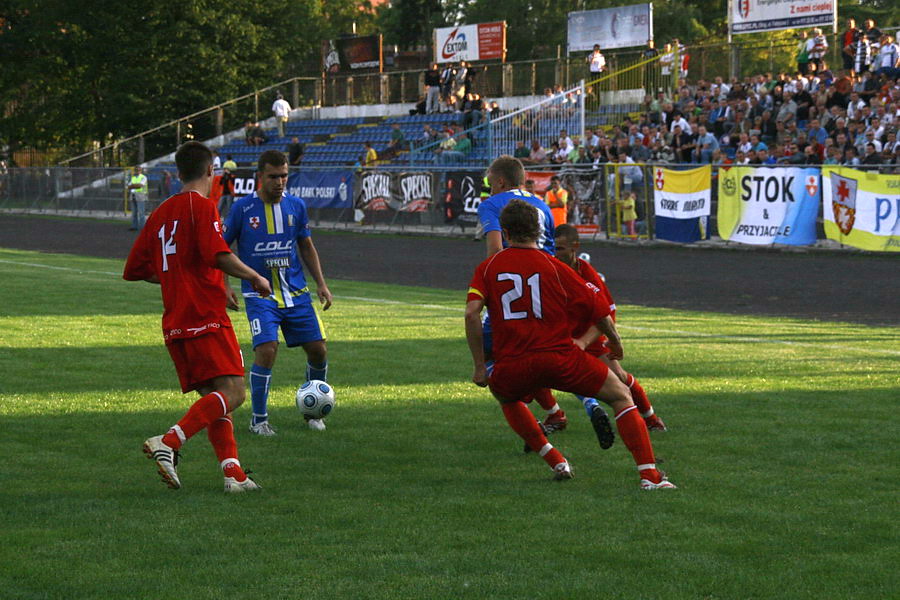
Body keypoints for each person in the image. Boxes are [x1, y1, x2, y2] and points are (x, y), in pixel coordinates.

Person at [465, 199, 675, 489]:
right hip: (559, 357)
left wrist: (479, 366)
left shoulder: (488, 268)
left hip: (513, 363)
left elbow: (471, 313)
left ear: (504, 231)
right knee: (620, 396)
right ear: (539, 230)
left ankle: (556, 459)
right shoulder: (555, 266)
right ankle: (650, 477)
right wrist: (616, 342)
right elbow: (599, 310)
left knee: (507, 398)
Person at [123, 141, 272, 493]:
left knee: (216, 398)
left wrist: (179, 276)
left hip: (175, 320)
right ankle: (169, 442)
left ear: (177, 173)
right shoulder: (202, 206)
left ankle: (233, 473)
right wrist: (253, 276)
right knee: (235, 392)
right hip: (203, 315)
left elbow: (135, 269)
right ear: (211, 171)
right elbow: (218, 253)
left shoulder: (161, 212)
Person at [223, 150, 333, 434]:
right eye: (274, 176)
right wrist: (225, 285)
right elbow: (222, 249)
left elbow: (306, 246)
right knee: (267, 350)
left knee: (318, 349)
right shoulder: (243, 209)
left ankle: (314, 412)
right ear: (260, 176)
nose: (280, 181)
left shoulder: (296, 206)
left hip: (296, 293)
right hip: (260, 296)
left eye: (284, 175)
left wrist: (321, 283)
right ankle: (259, 420)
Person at [478, 156, 568, 433]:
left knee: (490, 356)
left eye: (491, 181)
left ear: (501, 181)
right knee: (548, 355)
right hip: (549, 288)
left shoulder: (492, 204)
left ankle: (537, 429)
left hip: (513, 289)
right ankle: (563, 411)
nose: (489, 187)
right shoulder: (542, 204)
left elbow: (495, 251)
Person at [554, 224, 667, 432]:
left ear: (575, 247)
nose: (555, 253)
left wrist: (584, 341)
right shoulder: (551, 269)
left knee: (619, 377)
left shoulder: (587, 275)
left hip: (590, 332)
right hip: (565, 333)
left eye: (560, 249)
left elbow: (606, 315)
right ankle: (554, 417)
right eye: (553, 248)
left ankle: (650, 419)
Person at [127, 165, 149, 231]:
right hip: (133, 196)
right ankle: (134, 226)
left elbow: (140, 185)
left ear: (141, 170)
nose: (137, 171)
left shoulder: (143, 177)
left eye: (139, 170)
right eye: (136, 170)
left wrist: (133, 186)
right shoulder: (133, 177)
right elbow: (128, 186)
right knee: (134, 213)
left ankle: (143, 228)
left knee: (141, 213)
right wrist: (135, 186)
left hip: (141, 196)